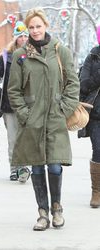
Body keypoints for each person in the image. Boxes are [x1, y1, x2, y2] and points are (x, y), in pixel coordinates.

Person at [8, 8, 79, 231]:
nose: (35, 30)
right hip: (33, 121)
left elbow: (73, 83)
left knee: (55, 166)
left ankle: (57, 209)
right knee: (37, 168)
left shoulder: (60, 51)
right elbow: (13, 91)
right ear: (26, 29)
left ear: (46, 26)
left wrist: (64, 109)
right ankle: (42, 213)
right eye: (31, 27)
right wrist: (25, 114)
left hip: (56, 120)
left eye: (39, 26)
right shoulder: (20, 56)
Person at [0, 21, 30, 182]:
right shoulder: (6, 56)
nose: (23, 38)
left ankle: (25, 167)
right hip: (9, 105)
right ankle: (15, 168)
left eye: (26, 35)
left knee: (27, 138)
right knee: (14, 138)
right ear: (15, 38)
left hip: (29, 104)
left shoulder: (34, 55)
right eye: (20, 36)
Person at [79, 25, 100, 208]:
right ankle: (97, 191)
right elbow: (83, 85)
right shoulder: (92, 58)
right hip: (96, 114)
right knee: (99, 149)